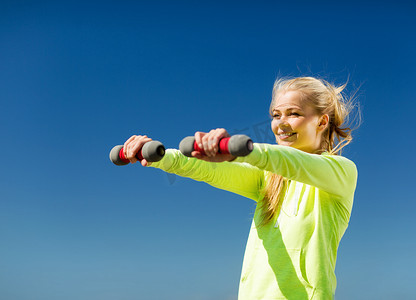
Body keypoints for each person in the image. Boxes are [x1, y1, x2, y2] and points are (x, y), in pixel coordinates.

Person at [122, 76, 358, 299]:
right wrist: (158, 156)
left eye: (293, 113)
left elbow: (286, 160)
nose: (281, 124)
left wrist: (240, 151)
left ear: (322, 121)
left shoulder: (341, 173)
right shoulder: (268, 179)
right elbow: (208, 170)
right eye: (276, 115)